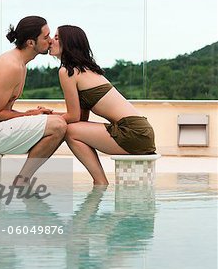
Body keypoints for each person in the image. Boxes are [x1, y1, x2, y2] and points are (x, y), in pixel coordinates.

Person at [0, 16, 67, 185]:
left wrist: (32, 115)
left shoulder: (20, 64)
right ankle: (22, 181)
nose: (50, 41)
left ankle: (23, 180)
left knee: (58, 123)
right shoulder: (10, 65)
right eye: (46, 37)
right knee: (57, 125)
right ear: (31, 43)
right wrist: (30, 115)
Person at [49, 25, 156, 186]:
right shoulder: (86, 70)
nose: (51, 41)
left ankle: (100, 182)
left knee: (69, 131)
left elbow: (73, 117)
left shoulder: (67, 71)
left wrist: (46, 116)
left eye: (56, 38)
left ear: (68, 43)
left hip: (133, 132)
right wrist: (51, 114)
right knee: (72, 129)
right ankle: (100, 182)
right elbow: (80, 118)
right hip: (141, 131)